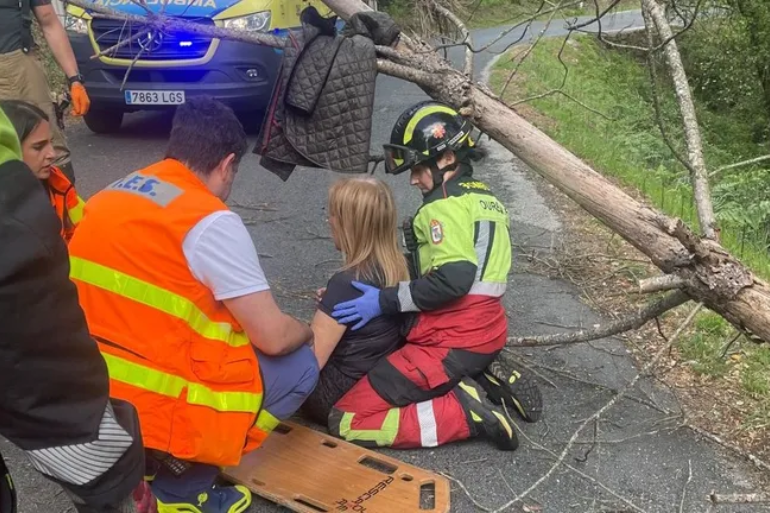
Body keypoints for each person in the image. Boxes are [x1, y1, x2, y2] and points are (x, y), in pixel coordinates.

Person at [67, 96, 319, 513]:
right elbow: (272, 338)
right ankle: (182, 488)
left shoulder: (111, 192)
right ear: (226, 164)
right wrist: (306, 328)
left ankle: (145, 461)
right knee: (297, 365)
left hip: (91, 395)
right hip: (152, 402)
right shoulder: (208, 219)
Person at [328, 101, 543, 451]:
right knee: (404, 335)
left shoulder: (441, 206)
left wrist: (383, 301)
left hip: (448, 341)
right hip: (488, 330)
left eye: (419, 168)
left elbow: (454, 278)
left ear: (446, 159)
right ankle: (478, 371)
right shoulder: (487, 199)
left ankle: (463, 412)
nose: (413, 179)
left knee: (348, 419)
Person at [0, 101, 150, 513]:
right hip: (69, 348)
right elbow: (30, 331)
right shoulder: (19, 214)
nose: (52, 154)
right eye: (38, 146)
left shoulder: (57, 192)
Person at [300, 176, 411, 425]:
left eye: (334, 215)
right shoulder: (399, 267)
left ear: (350, 225)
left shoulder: (345, 283)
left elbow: (309, 366)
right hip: (377, 384)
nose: (329, 221)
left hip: (334, 396)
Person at [0, 0, 90, 182]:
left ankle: (62, 207)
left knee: (45, 147)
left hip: (16, 67)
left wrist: (75, 80)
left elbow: (48, 20)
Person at [0, 99, 85, 243]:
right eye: (38, 147)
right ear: (11, 150)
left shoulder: (57, 183)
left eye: (50, 143)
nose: (52, 153)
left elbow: (85, 228)